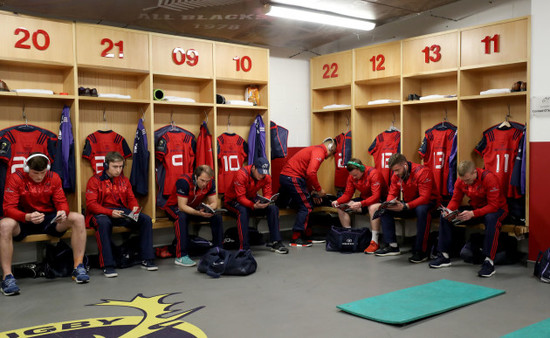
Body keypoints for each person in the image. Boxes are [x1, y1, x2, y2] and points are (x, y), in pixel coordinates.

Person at [0, 153, 89, 296]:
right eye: (35, 173)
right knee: (4, 225)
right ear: (27, 169)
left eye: (43, 172)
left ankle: (78, 267)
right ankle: (7, 277)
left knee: (78, 218)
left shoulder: (53, 177)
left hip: (48, 219)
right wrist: (27, 216)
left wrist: (62, 212)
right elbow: (8, 208)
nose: (40, 177)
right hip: (23, 219)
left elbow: (62, 202)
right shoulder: (16, 178)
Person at [429, 160, 508, 277]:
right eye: (463, 180)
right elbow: (455, 199)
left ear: (474, 172)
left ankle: (488, 262)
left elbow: (493, 205)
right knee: (445, 217)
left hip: (497, 210)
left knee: (491, 220)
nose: (466, 183)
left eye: (468, 180)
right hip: (476, 209)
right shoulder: (461, 181)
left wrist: (473, 213)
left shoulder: (489, 179)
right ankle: (443, 256)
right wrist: (449, 211)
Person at [85, 151, 157, 278]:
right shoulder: (94, 180)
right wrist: (109, 212)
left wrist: (134, 207)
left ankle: (147, 259)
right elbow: (91, 205)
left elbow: (131, 198)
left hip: (120, 212)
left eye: (121, 166)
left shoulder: (124, 180)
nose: (118, 170)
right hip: (101, 213)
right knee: (103, 223)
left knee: (145, 219)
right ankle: (108, 265)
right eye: (115, 167)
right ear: (106, 166)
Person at [374, 153, 440, 263]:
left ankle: (421, 252)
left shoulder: (423, 172)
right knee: (384, 209)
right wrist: (390, 203)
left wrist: (405, 206)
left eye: (397, 170)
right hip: (409, 203)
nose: (395, 173)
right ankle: (392, 245)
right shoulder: (397, 175)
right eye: (394, 171)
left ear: (405, 165)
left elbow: (424, 198)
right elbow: (392, 192)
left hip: (429, 203)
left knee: (421, 210)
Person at [278, 137, 336, 247]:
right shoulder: (320, 152)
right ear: (331, 148)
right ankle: (296, 238)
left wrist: (312, 191)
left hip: (290, 177)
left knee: (308, 203)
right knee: (306, 206)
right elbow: (311, 173)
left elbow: (307, 175)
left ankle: (307, 234)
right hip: (293, 177)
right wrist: (319, 190)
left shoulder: (315, 149)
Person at [163, 165, 223, 267]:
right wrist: (198, 213)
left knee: (216, 216)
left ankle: (218, 250)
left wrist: (209, 208)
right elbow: (182, 206)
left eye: (207, 181)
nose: (204, 184)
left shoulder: (210, 183)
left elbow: (214, 203)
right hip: (174, 207)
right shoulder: (184, 181)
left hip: (194, 208)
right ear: (195, 176)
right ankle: (181, 256)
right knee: (181, 217)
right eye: (202, 180)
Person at [224, 157, 288, 254]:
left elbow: (267, 193)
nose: (262, 175)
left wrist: (265, 202)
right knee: (243, 211)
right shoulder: (241, 174)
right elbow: (240, 198)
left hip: (251, 200)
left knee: (273, 208)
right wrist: (253, 205)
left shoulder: (266, 176)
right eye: (260, 172)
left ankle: (276, 242)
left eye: (264, 172)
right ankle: (244, 248)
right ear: (253, 167)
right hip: (232, 201)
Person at [331, 158, 387, 254]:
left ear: (361, 169)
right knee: (341, 206)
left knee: (373, 208)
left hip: (380, 200)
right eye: (352, 175)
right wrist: (337, 201)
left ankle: (374, 242)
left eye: (356, 175)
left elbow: (376, 196)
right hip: (364, 200)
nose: (354, 177)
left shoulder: (374, 174)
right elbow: (348, 194)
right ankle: (349, 235)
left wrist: (361, 204)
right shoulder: (352, 177)